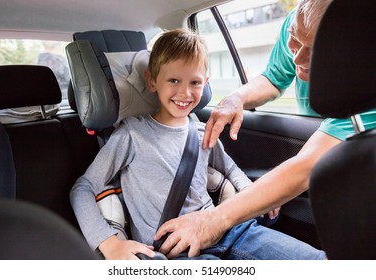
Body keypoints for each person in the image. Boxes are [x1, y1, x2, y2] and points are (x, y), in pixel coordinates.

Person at [70, 28, 325, 260]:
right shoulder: (132, 135)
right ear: (151, 81)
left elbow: (232, 171)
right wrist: (109, 244)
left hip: (228, 230)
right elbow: (83, 188)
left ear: (205, 83)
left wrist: (256, 196)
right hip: (173, 251)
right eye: (173, 81)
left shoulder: (202, 130)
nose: (186, 93)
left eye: (195, 82)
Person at [153, 0, 376, 259]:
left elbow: (305, 168)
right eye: (295, 39)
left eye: (315, 50)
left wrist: (212, 221)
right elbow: (273, 77)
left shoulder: (366, 93)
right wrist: (237, 98)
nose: (297, 57)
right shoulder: (299, 21)